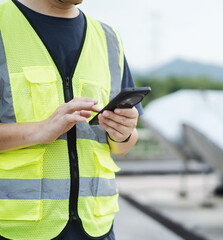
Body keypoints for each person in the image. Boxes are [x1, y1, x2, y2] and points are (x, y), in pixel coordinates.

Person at [0, 0, 142, 239]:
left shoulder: (109, 40)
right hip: (15, 229)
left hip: (96, 228)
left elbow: (124, 145)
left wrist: (123, 133)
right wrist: (40, 130)